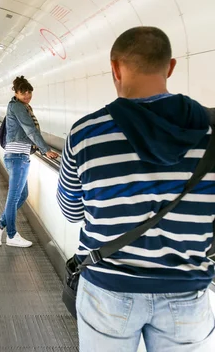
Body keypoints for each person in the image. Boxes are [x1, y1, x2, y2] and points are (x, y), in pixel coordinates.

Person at [57, 27, 215, 351]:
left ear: (115, 68)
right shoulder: (211, 132)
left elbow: (71, 211)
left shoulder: (85, 134)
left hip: (107, 290)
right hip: (187, 293)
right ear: (170, 67)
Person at [0, 76, 58, 247]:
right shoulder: (17, 107)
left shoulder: (22, 106)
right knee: (13, 198)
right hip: (17, 157)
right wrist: (45, 149)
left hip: (19, 156)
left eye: (29, 92)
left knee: (23, 195)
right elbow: (30, 130)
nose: (27, 95)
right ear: (16, 93)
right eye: (23, 93)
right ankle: (11, 236)